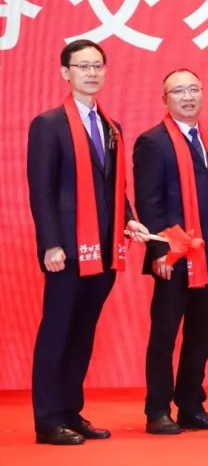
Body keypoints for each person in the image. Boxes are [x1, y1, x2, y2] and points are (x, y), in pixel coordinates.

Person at [27, 39, 149, 445]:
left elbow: (116, 186)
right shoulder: (48, 125)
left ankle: (70, 412)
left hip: (104, 248)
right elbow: (41, 190)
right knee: (57, 332)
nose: (92, 73)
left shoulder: (112, 127)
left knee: (82, 334)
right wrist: (50, 244)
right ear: (66, 73)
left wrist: (128, 220)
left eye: (98, 65)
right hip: (66, 250)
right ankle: (48, 420)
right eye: (83, 66)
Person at [133, 68, 208, 435]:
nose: (188, 96)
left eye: (193, 89)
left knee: (202, 335)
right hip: (175, 258)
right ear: (164, 99)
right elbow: (149, 202)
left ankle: (191, 406)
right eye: (178, 91)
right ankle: (157, 410)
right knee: (164, 336)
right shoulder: (153, 142)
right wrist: (159, 251)